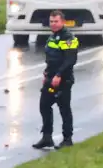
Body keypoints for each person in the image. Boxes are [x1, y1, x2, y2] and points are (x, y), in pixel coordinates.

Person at [33, 10, 78, 150]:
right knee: (44, 105)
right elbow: (50, 59)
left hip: (63, 79)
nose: (53, 24)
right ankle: (47, 137)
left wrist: (59, 75)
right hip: (50, 78)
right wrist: (46, 74)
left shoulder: (68, 38)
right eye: (51, 21)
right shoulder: (52, 37)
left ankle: (67, 138)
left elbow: (70, 60)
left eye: (56, 21)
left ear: (62, 22)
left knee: (64, 109)